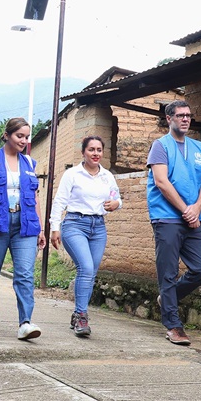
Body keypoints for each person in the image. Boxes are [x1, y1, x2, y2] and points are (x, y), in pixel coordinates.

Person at [146, 99, 201, 346]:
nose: (186, 119)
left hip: (195, 219)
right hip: (167, 218)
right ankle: (173, 325)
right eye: (181, 115)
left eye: (188, 115)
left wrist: (196, 209)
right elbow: (161, 182)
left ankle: (167, 298)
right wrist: (186, 210)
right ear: (169, 118)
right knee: (169, 273)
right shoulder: (160, 146)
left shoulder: (199, 148)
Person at [0, 117, 46, 341]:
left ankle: (25, 322)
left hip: (25, 225)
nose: (24, 141)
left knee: (25, 275)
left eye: (26, 137)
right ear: (7, 135)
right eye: (19, 136)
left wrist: (41, 228)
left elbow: (35, 197)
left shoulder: (30, 164)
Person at [49, 136, 121, 337]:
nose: (96, 153)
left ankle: (77, 314)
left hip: (98, 227)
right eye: (91, 149)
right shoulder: (73, 174)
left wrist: (116, 204)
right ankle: (82, 316)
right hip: (74, 224)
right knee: (86, 268)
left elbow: (116, 198)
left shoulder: (107, 176)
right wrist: (55, 227)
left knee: (91, 274)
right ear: (83, 152)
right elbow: (59, 201)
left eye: (99, 149)